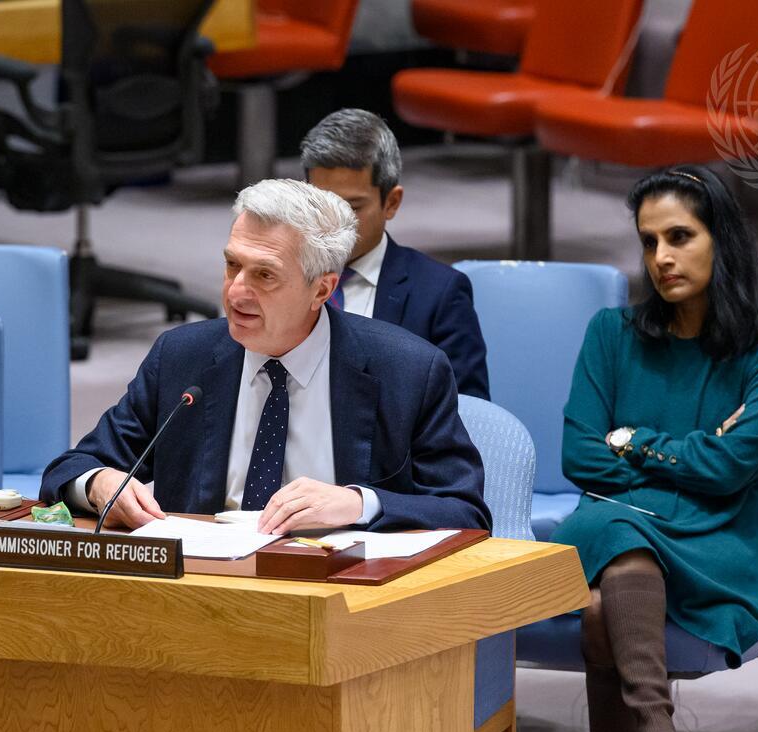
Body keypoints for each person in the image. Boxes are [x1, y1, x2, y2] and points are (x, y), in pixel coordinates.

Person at [41, 178, 490, 535]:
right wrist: (99, 484)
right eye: (232, 265)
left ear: (322, 290)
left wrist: (359, 503)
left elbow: (465, 512)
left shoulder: (407, 371)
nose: (236, 292)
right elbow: (69, 470)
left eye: (264, 275)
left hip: (342, 594)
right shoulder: (182, 357)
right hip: (202, 588)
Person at [553, 166, 758, 732]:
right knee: (618, 535)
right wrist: (694, 453)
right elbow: (578, 455)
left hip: (715, 540)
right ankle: (657, 729)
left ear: (723, 239)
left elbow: (732, 469)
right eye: (649, 241)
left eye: (680, 236)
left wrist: (633, 439)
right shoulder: (610, 333)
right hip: (624, 521)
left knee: (601, 602)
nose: (661, 257)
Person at [300, 108, 490, 399]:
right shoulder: (278, 275)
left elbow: (467, 412)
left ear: (391, 202)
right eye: (320, 205)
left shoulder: (439, 295)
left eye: (352, 207)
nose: (333, 222)